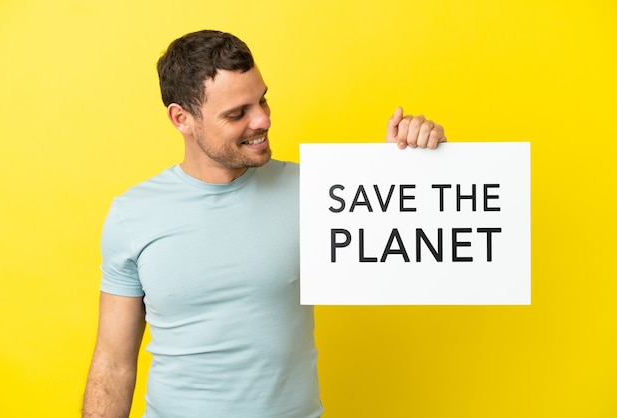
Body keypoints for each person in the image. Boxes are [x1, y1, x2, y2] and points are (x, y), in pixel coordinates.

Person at [82, 30, 446, 418]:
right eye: (237, 113)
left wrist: (412, 167)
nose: (263, 119)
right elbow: (112, 363)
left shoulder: (319, 192)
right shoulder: (132, 214)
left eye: (263, 100)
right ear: (181, 118)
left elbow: (412, 242)